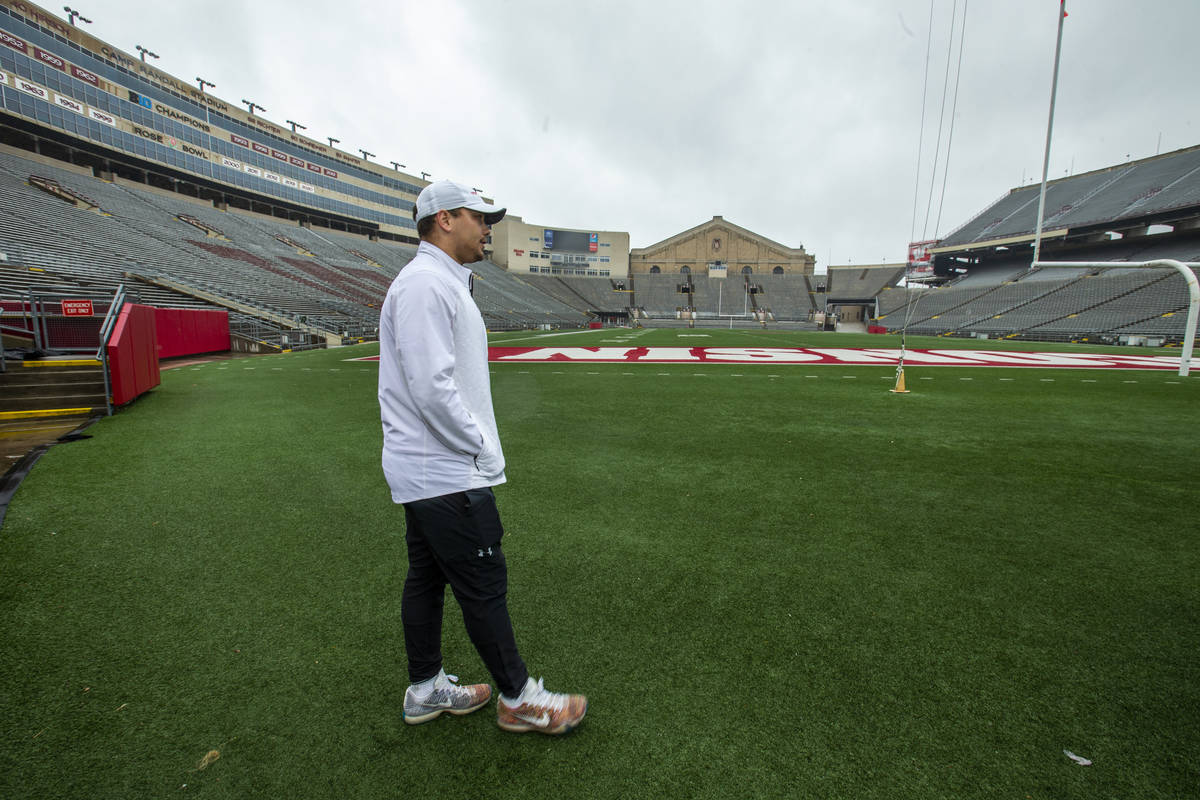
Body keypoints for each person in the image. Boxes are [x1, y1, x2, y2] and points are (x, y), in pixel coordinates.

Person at [377, 179, 587, 735]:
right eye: (479, 215)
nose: (488, 226)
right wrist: (477, 443)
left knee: (426, 577)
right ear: (444, 219)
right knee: (484, 582)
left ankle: (425, 688)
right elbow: (431, 386)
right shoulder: (426, 283)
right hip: (444, 468)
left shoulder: (436, 280)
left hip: (428, 468)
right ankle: (519, 698)